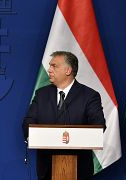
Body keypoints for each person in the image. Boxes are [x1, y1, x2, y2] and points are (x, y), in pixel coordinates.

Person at [22, 51, 106, 180]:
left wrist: (70, 136)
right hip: (47, 168)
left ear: (68, 70)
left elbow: (99, 125)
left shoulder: (89, 96)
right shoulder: (41, 94)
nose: (49, 70)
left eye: (54, 66)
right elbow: (28, 123)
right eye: (50, 66)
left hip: (79, 168)